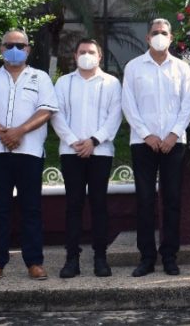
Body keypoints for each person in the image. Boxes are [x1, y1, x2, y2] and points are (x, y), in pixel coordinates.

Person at [0, 29, 58, 283]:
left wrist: (20, 131)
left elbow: (46, 110)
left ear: (29, 49)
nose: (15, 49)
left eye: (20, 45)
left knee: (31, 208)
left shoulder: (40, 78)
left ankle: (34, 262)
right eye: (9, 45)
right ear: (1, 48)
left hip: (29, 152)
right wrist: (3, 133)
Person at [121, 18, 190, 277]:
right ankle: (146, 257)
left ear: (171, 37)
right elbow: (128, 105)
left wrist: (174, 134)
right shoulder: (133, 67)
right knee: (144, 201)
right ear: (147, 38)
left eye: (164, 32)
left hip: (174, 144)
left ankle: (169, 256)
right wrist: (147, 134)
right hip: (143, 143)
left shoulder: (182, 68)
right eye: (155, 32)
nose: (159, 36)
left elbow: (188, 104)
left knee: (172, 200)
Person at [51, 38, 123, 279]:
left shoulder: (111, 83)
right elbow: (56, 115)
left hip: (100, 152)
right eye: (82, 52)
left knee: (99, 205)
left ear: (99, 56)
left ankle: (100, 258)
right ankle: (72, 259)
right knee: (73, 205)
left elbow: (115, 116)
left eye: (91, 51)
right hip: (70, 152)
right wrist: (74, 141)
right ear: (74, 56)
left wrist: (94, 140)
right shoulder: (63, 82)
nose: (86, 55)